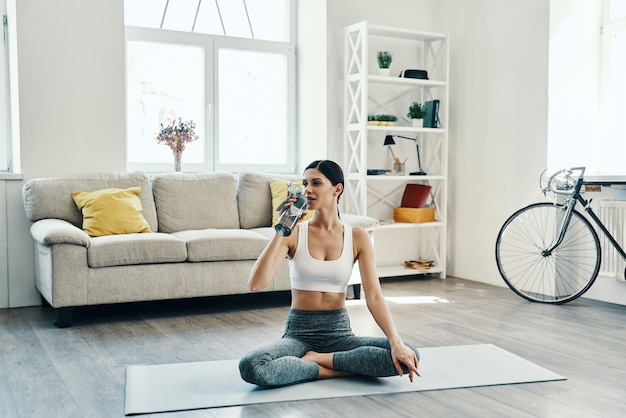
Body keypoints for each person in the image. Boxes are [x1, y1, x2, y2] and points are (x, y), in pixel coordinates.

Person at [238, 160, 420, 387]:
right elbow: (256, 284)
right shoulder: (293, 233)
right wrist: (283, 226)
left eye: (316, 183)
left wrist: (395, 342)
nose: (307, 190)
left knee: (409, 354)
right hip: (299, 335)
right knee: (252, 365)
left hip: (340, 334)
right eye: (305, 183)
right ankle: (334, 369)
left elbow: (373, 296)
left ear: (337, 189)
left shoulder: (357, 236)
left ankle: (320, 361)